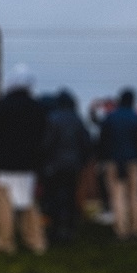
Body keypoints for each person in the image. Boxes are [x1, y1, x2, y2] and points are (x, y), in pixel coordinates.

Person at [0, 64, 49, 255]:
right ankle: (36, 241)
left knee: (3, 206)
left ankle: (5, 243)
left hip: (2, 164)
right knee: (28, 204)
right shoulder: (37, 108)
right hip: (27, 164)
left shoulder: (2, 106)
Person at [40, 89, 92, 245]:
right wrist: (82, 161)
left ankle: (56, 231)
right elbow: (86, 143)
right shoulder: (78, 119)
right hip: (73, 166)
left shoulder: (52, 118)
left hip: (54, 166)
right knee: (70, 198)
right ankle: (69, 229)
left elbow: (47, 143)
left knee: (54, 199)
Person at [98, 88, 137, 241]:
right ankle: (136, 229)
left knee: (117, 196)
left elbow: (103, 141)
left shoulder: (110, 118)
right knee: (136, 196)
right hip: (134, 161)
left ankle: (122, 230)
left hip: (113, 161)